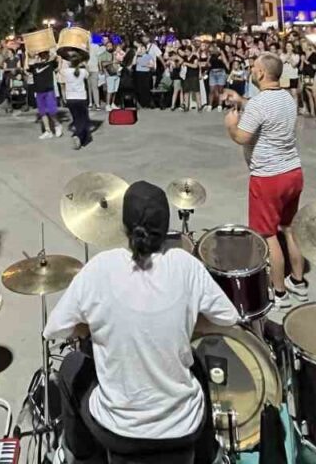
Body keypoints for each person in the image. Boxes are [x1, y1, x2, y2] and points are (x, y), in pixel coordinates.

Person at [44, 180, 239, 458]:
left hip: (119, 432)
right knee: (195, 364)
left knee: (71, 366)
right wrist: (187, 326)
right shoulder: (186, 266)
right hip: (182, 428)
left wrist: (92, 329)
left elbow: (55, 329)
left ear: (123, 225)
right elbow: (227, 319)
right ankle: (208, 454)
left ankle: (80, 455)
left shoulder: (100, 268)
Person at [222, 53, 308, 309]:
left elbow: (242, 137)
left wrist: (230, 124)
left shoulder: (260, 104)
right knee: (289, 228)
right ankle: (299, 282)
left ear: (261, 73)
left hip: (268, 176)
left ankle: (279, 292)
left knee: (268, 235)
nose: (251, 70)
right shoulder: (287, 98)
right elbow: (265, 111)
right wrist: (242, 101)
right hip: (293, 171)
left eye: (253, 68)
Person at [62, 57, 93, 150]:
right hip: (81, 97)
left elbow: (59, 71)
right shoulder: (82, 72)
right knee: (83, 118)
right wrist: (85, 64)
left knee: (76, 118)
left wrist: (60, 61)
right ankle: (79, 136)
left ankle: (79, 135)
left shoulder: (66, 72)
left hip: (70, 98)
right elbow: (89, 74)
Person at [30, 50, 61, 139]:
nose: (43, 56)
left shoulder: (50, 64)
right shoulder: (34, 65)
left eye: (44, 54)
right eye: (41, 54)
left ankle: (57, 125)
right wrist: (27, 54)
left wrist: (50, 54)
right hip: (39, 91)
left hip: (49, 91)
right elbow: (25, 69)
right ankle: (48, 131)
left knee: (52, 111)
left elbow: (57, 58)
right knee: (42, 112)